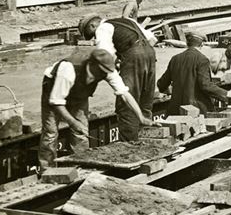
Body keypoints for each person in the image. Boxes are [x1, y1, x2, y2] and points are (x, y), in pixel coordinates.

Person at [39, 18, 153, 170]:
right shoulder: (68, 69)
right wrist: (73, 122)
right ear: (91, 65)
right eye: (100, 73)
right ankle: (47, 170)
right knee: (51, 133)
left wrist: (141, 117)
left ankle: (81, 165)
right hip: (54, 90)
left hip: (79, 94)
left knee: (81, 132)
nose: (103, 76)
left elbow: (125, 94)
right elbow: (57, 102)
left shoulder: (106, 70)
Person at [98, 0, 157, 141]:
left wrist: (116, 63)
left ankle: (130, 143)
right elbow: (152, 40)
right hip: (150, 53)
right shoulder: (131, 22)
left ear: (93, 26)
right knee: (146, 99)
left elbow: (104, 53)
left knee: (127, 102)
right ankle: (148, 139)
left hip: (133, 56)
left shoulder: (103, 26)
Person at [157, 32, 229, 113]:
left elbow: (161, 84)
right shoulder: (202, 60)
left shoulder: (175, 59)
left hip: (176, 109)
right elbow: (205, 85)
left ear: (187, 43)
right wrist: (226, 94)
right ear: (202, 45)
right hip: (196, 110)